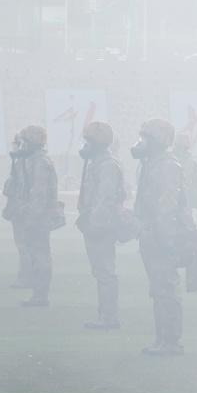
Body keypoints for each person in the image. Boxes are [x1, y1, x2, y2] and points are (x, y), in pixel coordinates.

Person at [134, 117, 197, 355]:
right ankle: (163, 338)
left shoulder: (167, 166)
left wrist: (165, 240)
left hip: (162, 237)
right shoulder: (153, 163)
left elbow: (166, 207)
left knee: (166, 290)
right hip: (152, 235)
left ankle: (170, 341)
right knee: (159, 290)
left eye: (146, 137)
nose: (141, 142)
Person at [76, 120, 130, 330]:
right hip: (95, 223)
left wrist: (95, 224)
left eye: (89, 141)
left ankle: (109, 317)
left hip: (101, 225)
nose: (85, 145)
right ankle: (105, 315)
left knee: (105, 271)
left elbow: (105, 199)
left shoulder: (107, 165)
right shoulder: (97, 163)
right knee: (101, 271)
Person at [3, 124, 61, 307]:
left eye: (24, 142)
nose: (21, 146)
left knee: (40, 255)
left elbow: (39, 195)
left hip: (37, 218)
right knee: (34, 254)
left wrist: (30, 218)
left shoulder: (40, 162)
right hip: (29, 215)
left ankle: (41, 295)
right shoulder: (28, 160)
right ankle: (38, 293)